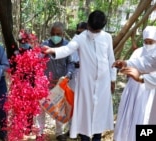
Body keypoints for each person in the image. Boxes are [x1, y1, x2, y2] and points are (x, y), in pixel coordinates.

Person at [42, 10, 117, 141]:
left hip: (103, 83)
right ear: (88, 25)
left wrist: (113, 79)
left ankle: (97, 137)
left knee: (99, 112)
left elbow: (111, 59)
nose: (94, 33)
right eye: (93, 30)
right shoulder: (81, 38)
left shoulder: (107, 37)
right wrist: (52, 50)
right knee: (84, 113)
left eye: (97, 31)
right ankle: (85, 138)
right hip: (86, 83)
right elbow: (67, 49)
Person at [114, 26, 156, 141]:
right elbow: (147, 62)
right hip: (135, 89)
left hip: (149, 91)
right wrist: (126, 64)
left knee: (145, 118)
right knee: (132, 117)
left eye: (151, 42)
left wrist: (142, 79)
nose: (148, 45)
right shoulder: (140, 52)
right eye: (146, 42)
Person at [36, 22, 74, 141]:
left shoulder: (68, 46)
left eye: (58, 34)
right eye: (53, 34)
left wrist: (67, 76)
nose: (55, 36)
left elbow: (71, 63)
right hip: (45, 83)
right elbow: (37, 62)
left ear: (63, 34)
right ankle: (39, 132)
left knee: (59, 108)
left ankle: (59, 133)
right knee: (41, 108)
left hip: (61, 83)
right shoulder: (44, 46)